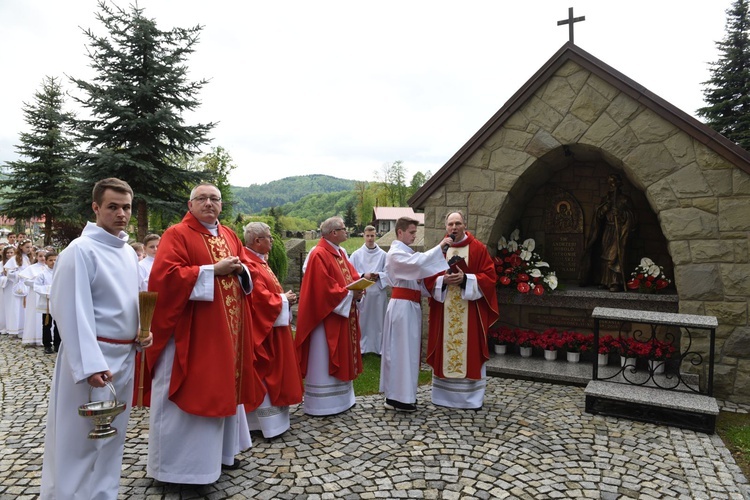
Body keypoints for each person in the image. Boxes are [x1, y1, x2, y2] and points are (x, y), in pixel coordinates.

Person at [40, 177, 154, 499]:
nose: (121, 214)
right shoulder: (80, 251)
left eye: (126, 207)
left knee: (110, 440)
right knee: (79, 442)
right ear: (95, 207)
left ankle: (103, 494)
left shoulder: (127, 253)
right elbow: (70, 310)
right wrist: (90, 364)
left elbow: (127, 302)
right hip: (93, 363)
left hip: (124, 358)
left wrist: (141, 332)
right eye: (113, 207)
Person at [143, 182, 264, 485]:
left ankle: (220, 457)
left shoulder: (229, 235)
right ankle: (177, 470)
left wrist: (240, 271)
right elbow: (165, 278)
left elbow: (248, 269)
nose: (209, 203)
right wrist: (212, 270)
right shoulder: (177, 234)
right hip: (192, 334)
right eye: (202, 199)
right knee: (192, 393)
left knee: (222, 391)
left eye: (215, 199)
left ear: (221, 205)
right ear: (190, 203)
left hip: (227, 335)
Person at [423, 211, 498, 410]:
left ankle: (470, 399)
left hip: (470, 311)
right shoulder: (440, 249)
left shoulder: (478, 248)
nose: (454, 228)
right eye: (450, 224)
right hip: (444, 310)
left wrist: (466, 279)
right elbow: (428, 277)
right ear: (445, 227)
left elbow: (489, 278)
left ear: (465, 225)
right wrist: (443, 280)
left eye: (457, 223)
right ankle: (443, 397)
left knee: (469, 349)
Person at [380, 217, 451, 412]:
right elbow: (418, 264)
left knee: (409, 353)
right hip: (402, 308)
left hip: (410, 306)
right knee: (400, 352)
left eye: (415, 232)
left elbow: (421, 282)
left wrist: (442, 280)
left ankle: (404, 395)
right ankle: (397, 398)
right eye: (411, 232)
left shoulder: (407, 254)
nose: (414, 236)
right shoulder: (395, 254)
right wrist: (439, 248)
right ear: (400, 232)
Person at [295, 216, 364, 416]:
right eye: (344, 229)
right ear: (333, 233)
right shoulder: (319, 254)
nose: (347, 232)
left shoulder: (340, 252)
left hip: (341, 314)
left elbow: (352, 276)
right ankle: (323, 405)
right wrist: (351, 293)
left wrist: (360, 285)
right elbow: (323, 289)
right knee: (324, 358)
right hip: (325, 319)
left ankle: (342, 400)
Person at [243, 222, 303, 438]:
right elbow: (258, 299)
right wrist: (282, 299)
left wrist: (281, 299)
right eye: (269, 237)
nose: (273, 240)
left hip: (274, 328)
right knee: (267, 373)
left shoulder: (259, 261)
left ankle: (276, 420)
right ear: (257, 241)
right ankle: (262, 423)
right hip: (264, 332)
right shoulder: (248, 263)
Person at [580, 173, 637, 292]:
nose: (611, 186)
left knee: (614, 255)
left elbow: (633, 217)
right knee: (604, 256)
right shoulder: (606, 199)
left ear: (618, 184)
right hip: (607, 229)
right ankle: (605, 281)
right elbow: (598, 215)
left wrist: (621, 215)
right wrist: (604, 210)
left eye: (613, 183)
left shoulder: (624, 199)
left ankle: (616, 282)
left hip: (619, 231)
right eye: (609, 183)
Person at [348, 225, 388, 355]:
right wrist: (363, 275)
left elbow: (388, 273)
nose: (370, 238)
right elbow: (350, 272)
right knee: (363, 321)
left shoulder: (383, 255)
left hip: (378, 292)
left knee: (379, 321)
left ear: (376, 236)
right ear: (364, 236)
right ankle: (361, 347)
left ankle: (378, 348)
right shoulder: (356, 255)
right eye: (368, 236)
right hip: (363, 292)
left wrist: (379, 275)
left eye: (372, 236)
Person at [4, 238, 32, 336]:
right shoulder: (15, 258)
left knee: (25, 307)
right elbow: (9, 272)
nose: (29, 249)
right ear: (21, 247)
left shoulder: (28, 258)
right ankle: (16, 329)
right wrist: (20, 275)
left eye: (30, 247)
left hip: (26, 285)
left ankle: (24, 328)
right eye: (27, 247)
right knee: (17, 307)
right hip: (18, 285)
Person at [34, 251, 60, 354]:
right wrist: (49, 291)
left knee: (58, 324)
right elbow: (37, 287)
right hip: (47, 303)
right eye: (51, 260)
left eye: (55, 260)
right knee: (46, 324)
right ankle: (47, 345)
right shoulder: (42, 274)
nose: (53, 262)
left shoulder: (60, 273)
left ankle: (57, 344)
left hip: (58, 302)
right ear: (46, 261)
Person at [20, 248, 46, 346]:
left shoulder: (50, 268)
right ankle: (35, 336)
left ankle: (48, 337)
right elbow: (26, 281)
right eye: (40, 256)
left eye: (44, 256)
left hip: (47, 294)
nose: (43, 258)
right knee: (35, 314)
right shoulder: (32, 268)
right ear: (36, 257)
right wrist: (37, 283)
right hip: (35, 294)